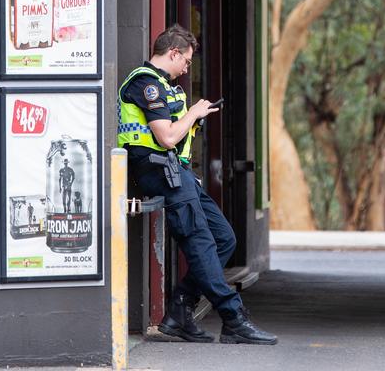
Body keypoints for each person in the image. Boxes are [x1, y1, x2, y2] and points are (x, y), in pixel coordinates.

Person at [118, 24, 277, 345]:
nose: (187, 68)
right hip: (160, 171)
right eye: (186, 61)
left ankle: (179, 311)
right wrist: (192, 113)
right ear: (173, 53)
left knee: (224, 239)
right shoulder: (146, 83)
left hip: (178, 173)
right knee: (201, 242)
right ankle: (233, 318)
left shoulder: (164, 85)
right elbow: (166, 137)